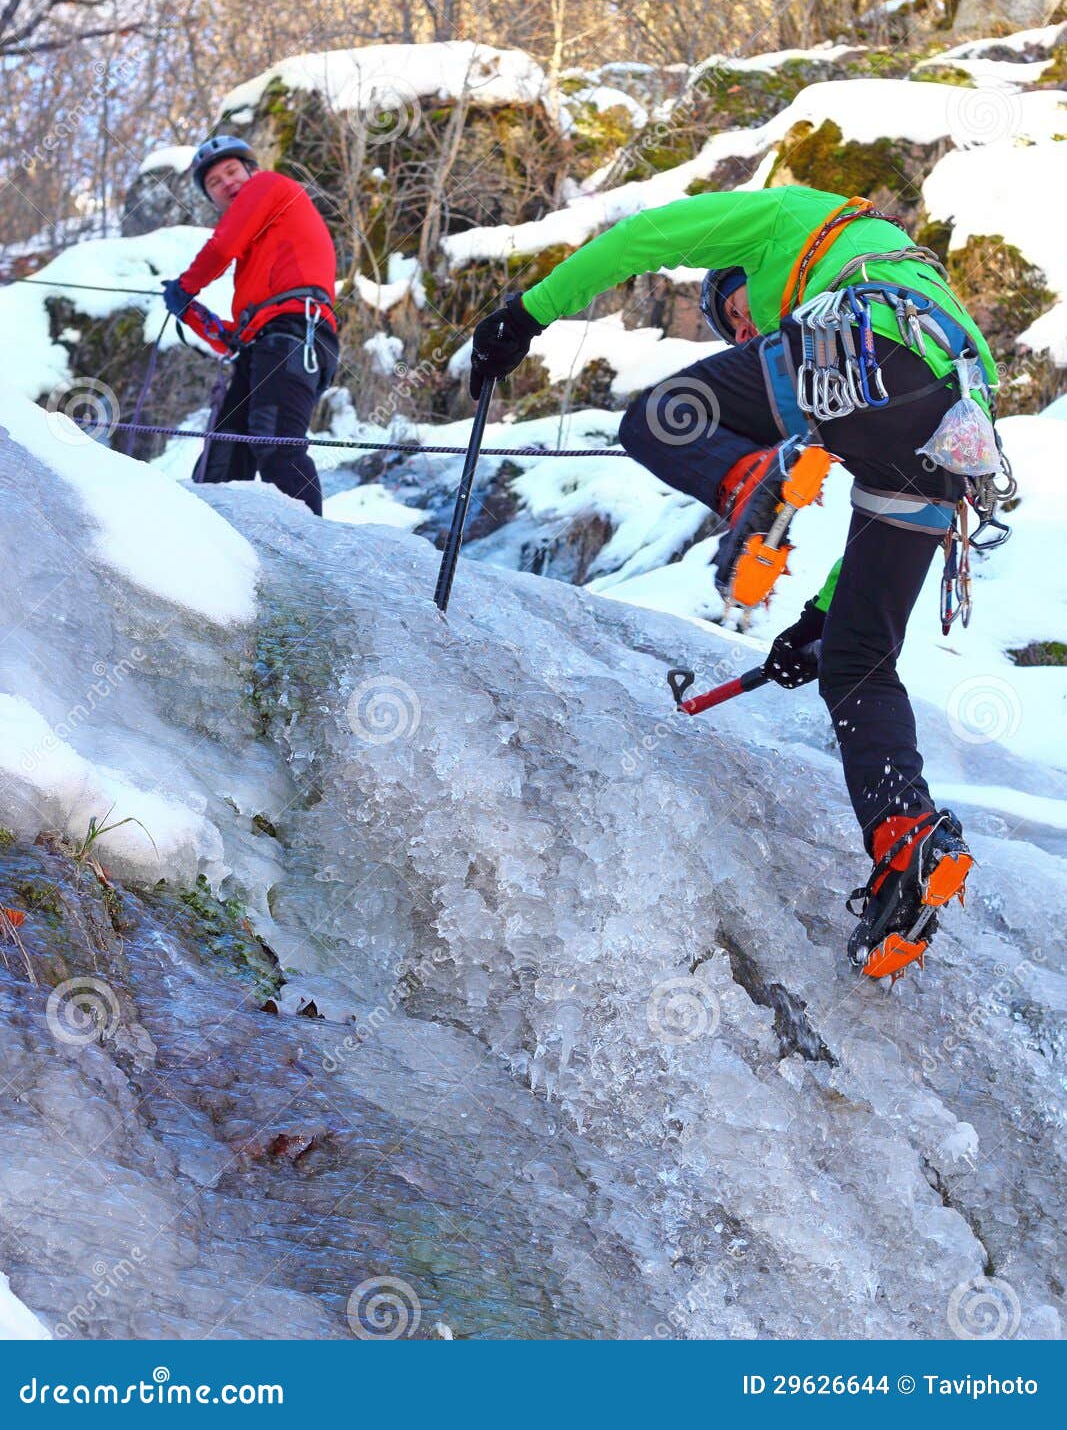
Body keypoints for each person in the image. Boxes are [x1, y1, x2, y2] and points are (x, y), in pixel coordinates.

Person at [469, 184, 1002, 981]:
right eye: (735, 332)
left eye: (740, 317)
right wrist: (817, 620)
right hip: (955, 428)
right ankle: (907, 843)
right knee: (858, 661)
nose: (745, 332)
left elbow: (643, 235)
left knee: (656, 417)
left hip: (865, 352)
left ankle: (747, 481)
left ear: (738, 277)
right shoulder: (916, 285)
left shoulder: (790, 220)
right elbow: (867, 536)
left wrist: (527, 315)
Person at [162, 135, 340, 516]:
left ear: (252, 171)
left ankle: (310, 551)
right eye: (214, 182)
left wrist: (185, 287)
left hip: (295, 331)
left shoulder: (268, 185)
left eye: (231, 171)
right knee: (221, 458)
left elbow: (222, 248)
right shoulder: (264, 256)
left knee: (275, 444)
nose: (226, 183)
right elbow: (234, 338)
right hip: (269, 339)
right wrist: (188, 310)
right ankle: (215, 551)